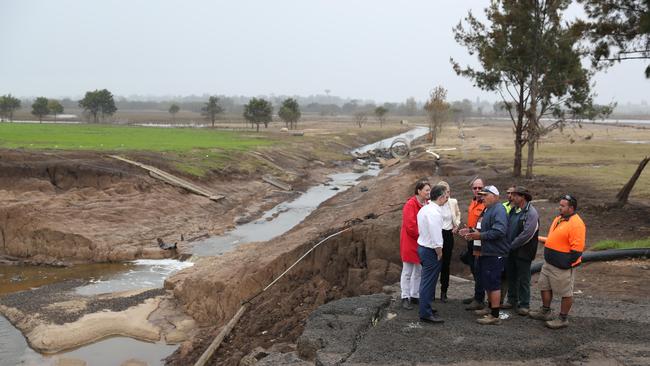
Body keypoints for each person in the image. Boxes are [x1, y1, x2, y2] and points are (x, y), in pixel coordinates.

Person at [529, 194, 586, 329]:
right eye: (560, 205)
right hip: (549, 263)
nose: (559, 208)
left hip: (562, 267)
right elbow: (553, 238)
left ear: (571, 208)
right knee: (544, 286)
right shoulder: (559, 219)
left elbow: (577, 250)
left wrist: (566, 264)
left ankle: (563, 318)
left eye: (562, 206)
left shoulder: (577, 224)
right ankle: (545, 311)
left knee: (566, 292)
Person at [463, 185, 509, 325]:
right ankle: (490, 308)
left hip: (495, 252)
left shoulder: (499, 210)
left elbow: (499, 231)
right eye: (481, 195)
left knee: (494, 283)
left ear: (495, 196)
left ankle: (495, 315)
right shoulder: (488, 208)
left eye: (485, 194)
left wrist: (479, 235)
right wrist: (471, 231)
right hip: (486, 251)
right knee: (488, 282)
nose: (482, 197)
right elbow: (484, 228)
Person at [502, 186, 539, 316]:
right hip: (511, 250)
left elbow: (527, 234)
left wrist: (511, 245)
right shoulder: (514, 210)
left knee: (524, 278)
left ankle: (524, 304)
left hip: (524, 251)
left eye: (516, 195)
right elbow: (507, 226)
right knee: (511, 275)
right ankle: (512, 300)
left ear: (523, 197)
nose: (513, 197)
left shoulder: (531, 213)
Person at [416, 184, 449, 324]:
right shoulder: (434, 213)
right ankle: (425, 313)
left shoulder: (425, 209)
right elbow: (436, 236)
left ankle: (426, 307)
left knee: (427, 281)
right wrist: (440, 252)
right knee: (428, 282)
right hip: (430, 250)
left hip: (422, 247)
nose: (447, 198)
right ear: (440, 197)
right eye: (446, 195)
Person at [399, 180, 431, 310]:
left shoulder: (427, 204)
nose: (429, 193)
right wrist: (425, 235)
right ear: (419, 191)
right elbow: (410, 226)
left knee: (418, 270)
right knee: (407, 270)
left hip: (421, 242)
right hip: (410, 241)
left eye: (429, 190)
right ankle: (405, 296)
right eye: (426, 190)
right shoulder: (410, 204)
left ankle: (415, 295)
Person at [462, 178, 486, 310]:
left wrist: (472, 231)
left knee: (479, 269)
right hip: (470, 239)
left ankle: (479, 298)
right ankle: (477, 295)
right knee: (473, 268)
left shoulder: (485, 204)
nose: (477, 190)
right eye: (475, 188)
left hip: (479, 240)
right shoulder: (474, 201)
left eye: (480, 188)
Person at [436, 181, 460, 303]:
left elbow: (458, 214)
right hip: (436, 234)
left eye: (449, 191)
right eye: (445, 192)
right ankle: (430, 291)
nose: (447, 194)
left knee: (446, 264)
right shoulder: (434, 203)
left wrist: (456, 225)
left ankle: (444, 292)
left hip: (448, 235)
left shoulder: (453, 202)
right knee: (435, 264)